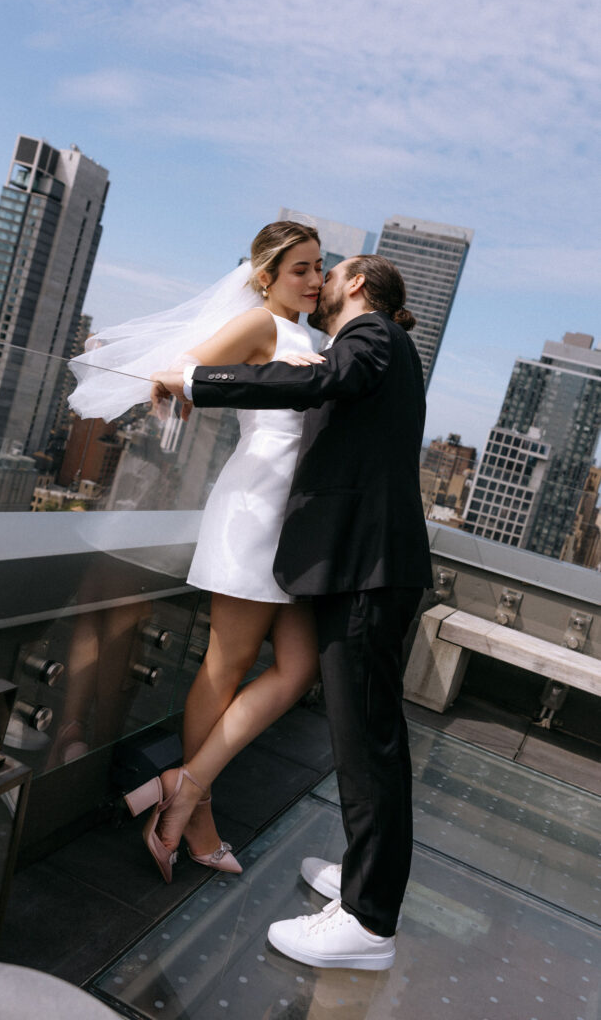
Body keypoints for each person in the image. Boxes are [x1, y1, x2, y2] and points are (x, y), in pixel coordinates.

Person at [150, 253, 433, 971]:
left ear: (358, 286)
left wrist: (196, 381)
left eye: (330, 273)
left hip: (366, 572)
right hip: (360, 567)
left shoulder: (368, 338)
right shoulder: (383, 348)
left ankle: (368, 926)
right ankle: (366, 878)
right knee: (365, 741)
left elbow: (319, 381)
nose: (322, 284)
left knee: (367, 746)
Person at [69, 221, 324, 881]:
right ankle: (197, 817)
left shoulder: (312, 336)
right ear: (264, 276)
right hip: (252, 511)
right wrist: (263, 369)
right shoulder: (265, 326)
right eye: (299, 268)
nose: (313, 280)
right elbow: (178, 374)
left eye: (318, 268)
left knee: (295, 670)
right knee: (226, 665)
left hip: (291, 523)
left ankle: (179, 789)